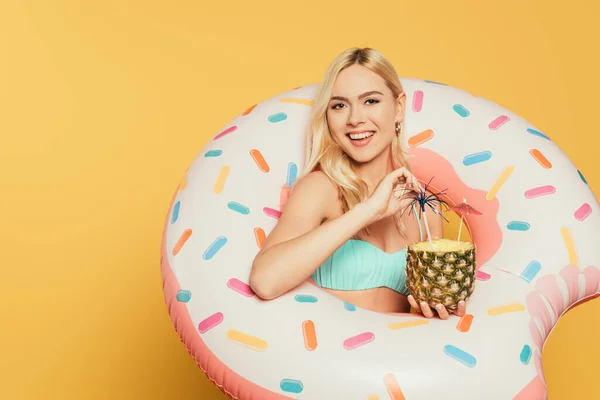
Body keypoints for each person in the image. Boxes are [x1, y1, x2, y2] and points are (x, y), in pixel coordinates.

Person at [249, 47, 467, 319]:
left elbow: (429, 313)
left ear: (398, 108)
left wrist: (438, 310)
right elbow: (265, 281)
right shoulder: (319, 189)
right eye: (339, 105)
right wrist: (367, 211)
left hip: (398, 357)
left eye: (371, 101)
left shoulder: (424, 211)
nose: (354, 119)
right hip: (325, 356)